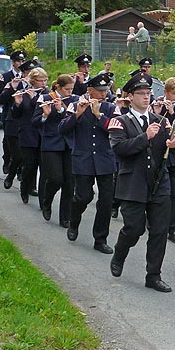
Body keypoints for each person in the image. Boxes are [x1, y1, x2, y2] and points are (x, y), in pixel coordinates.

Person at [108, 72, 175, 293]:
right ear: (129, 97)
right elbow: (120, 149)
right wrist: (144, 137)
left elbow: (173, 151)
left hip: (159, 184)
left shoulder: (161, 121)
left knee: (159, 231)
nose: (146, 97)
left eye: (148, 93)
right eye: (141, 94)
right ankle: (120, 253)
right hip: (133, 185)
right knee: (134, 229)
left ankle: (153, 275)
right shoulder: (119, 121)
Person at [59, 73, 117, 254]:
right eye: (99, 91)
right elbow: (63, 129)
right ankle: (73, 221)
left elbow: (115, 130)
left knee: (106, 201)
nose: (103, 94)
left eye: (105, 91)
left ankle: (100, 239)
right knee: (83, 196)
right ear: (89, 90)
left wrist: (99, 115)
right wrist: (77, 115)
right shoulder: (75, 105)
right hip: (83, 159)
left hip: (105, 160)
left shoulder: (110, 108)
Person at [32, 74, 78, 228]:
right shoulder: (45, 97)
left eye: (72, 89)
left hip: (69, 144)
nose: (70, 92)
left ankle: (65, 217)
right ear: (58, 87)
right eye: (67, 89)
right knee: (56, 178)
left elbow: (73, 121)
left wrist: (61, 112)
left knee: (69, 182)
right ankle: (47, 201)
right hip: (51, 143)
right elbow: (35, 122)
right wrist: (45, 115)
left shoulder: (74, 100)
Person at [150, 77, 175, 244]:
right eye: (173, 93)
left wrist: (172, 113)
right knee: (157, 192)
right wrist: (158, 113)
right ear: (165, 92)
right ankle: (154, 223)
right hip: (159, 155)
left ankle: (173, 228)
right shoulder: (156, 104)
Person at [11, 63, 48, 206]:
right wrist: (17, 104)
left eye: (45, 80)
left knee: (44, 168)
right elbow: (16, 115)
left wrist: (34, 99)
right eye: (40, 80)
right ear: (32, 81)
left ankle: (43, 199)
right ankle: (25, 187)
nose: (43, 83)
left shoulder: (47, 94)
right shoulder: (24, 93)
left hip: (43, 135)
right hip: (28, 134)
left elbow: (43, 112)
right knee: (29, 165)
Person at [0, 50, 28, 188]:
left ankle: (21, 171)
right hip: (10, 115)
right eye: (18, 61)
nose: (21, 64)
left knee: (24, 150)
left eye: (23, 61)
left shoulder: (31, 83)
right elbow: (1, 98)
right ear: (13, 62)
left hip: (26, 121)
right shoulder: (6, 77)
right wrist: (11, 88)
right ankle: (7, 160)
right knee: (9, 141)